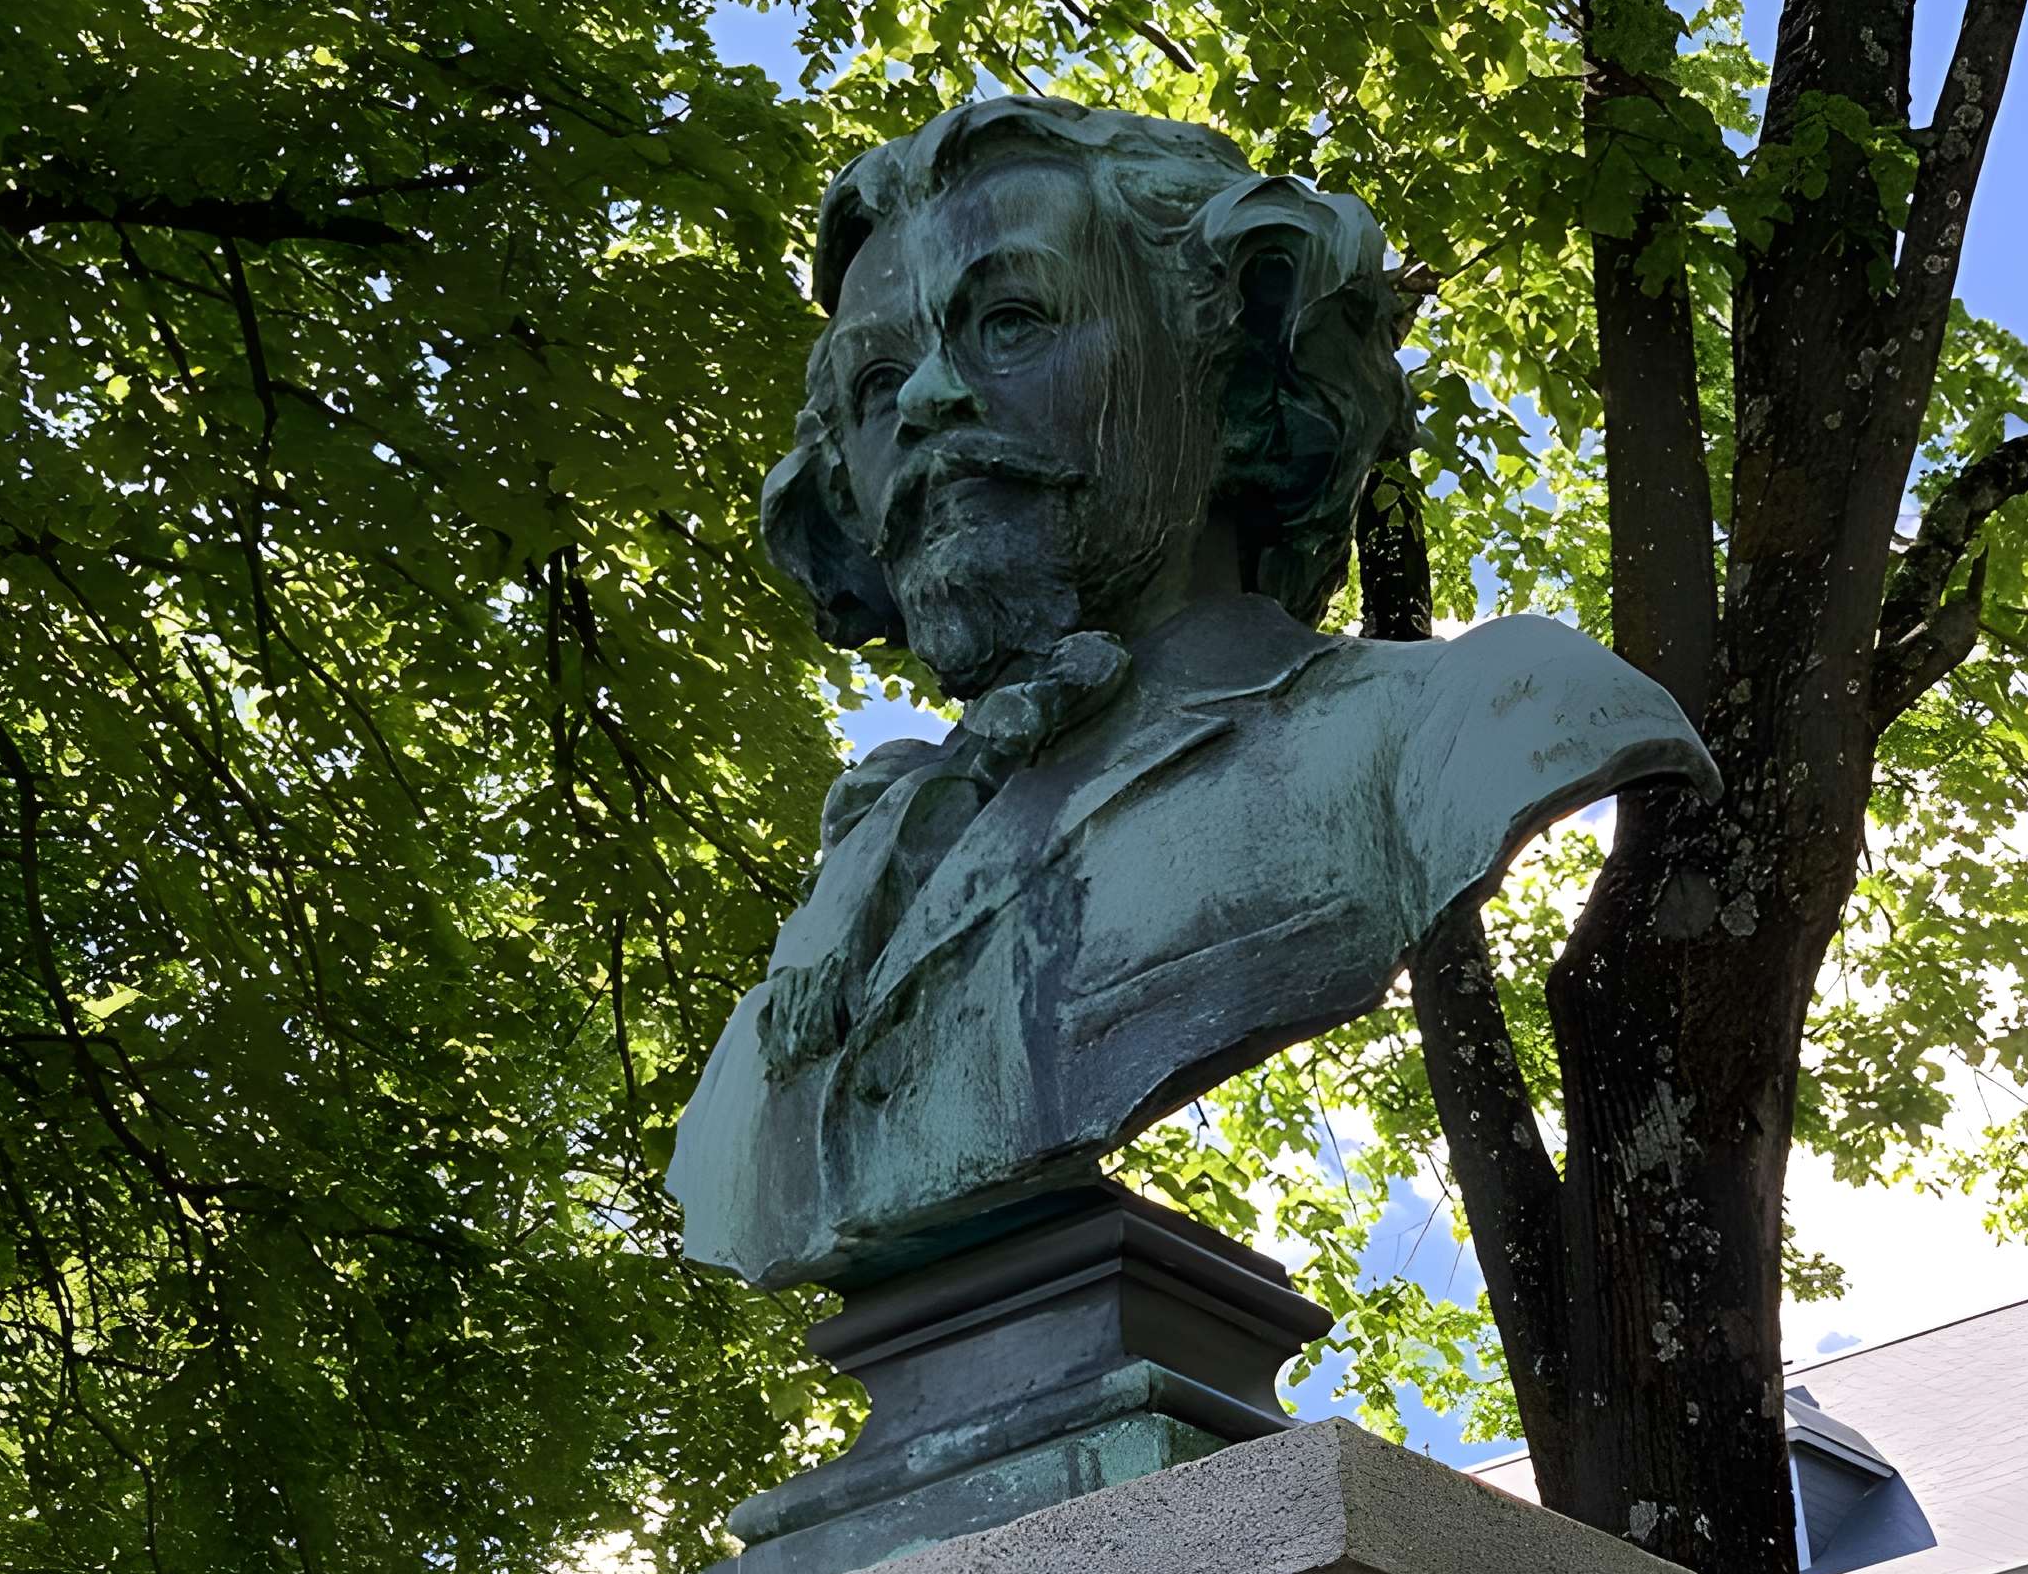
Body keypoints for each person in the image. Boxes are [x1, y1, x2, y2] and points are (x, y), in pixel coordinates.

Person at [671, 98, 1715, 1289]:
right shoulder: (862, 874)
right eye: (876, 382)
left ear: (1235, 372)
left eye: (1010, 322)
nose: (923, 403)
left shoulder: (1477, 720)